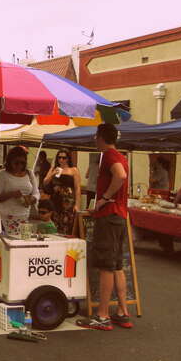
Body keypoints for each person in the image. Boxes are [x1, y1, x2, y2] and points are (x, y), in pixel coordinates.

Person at [77, 123, 131, 331]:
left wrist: (104, 199)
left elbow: (120, 176)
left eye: (95, 136)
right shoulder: (121, 155)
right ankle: (122, 312)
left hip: (109, 216)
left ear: (101, 137)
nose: (94, 139)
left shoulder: (109, 155)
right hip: (119, 215)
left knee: (106, 266)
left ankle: (102, 315)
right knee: (117, 265)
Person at [0, 146, 39, 235]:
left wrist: (32, 199)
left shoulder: (30, 173)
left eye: (22, 163)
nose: (20, 165)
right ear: (10, 161)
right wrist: (12, 194)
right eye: (16, 163)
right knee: (11, 242)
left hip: (25, 215)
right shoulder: (2, 174)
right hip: (7, 216)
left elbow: (36, 193)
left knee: (24, 241)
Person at [42, 149, 81, 235]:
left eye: (64, 158)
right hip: (56, 199)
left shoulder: (73, 170)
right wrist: (52, 174)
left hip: (68, 200)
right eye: (59, 157)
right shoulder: (55, 169)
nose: (61, 160)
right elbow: (45, 182)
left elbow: (77, 188)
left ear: (68, 159)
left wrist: (77, 204)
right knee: (55, 221)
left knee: (67, 221)